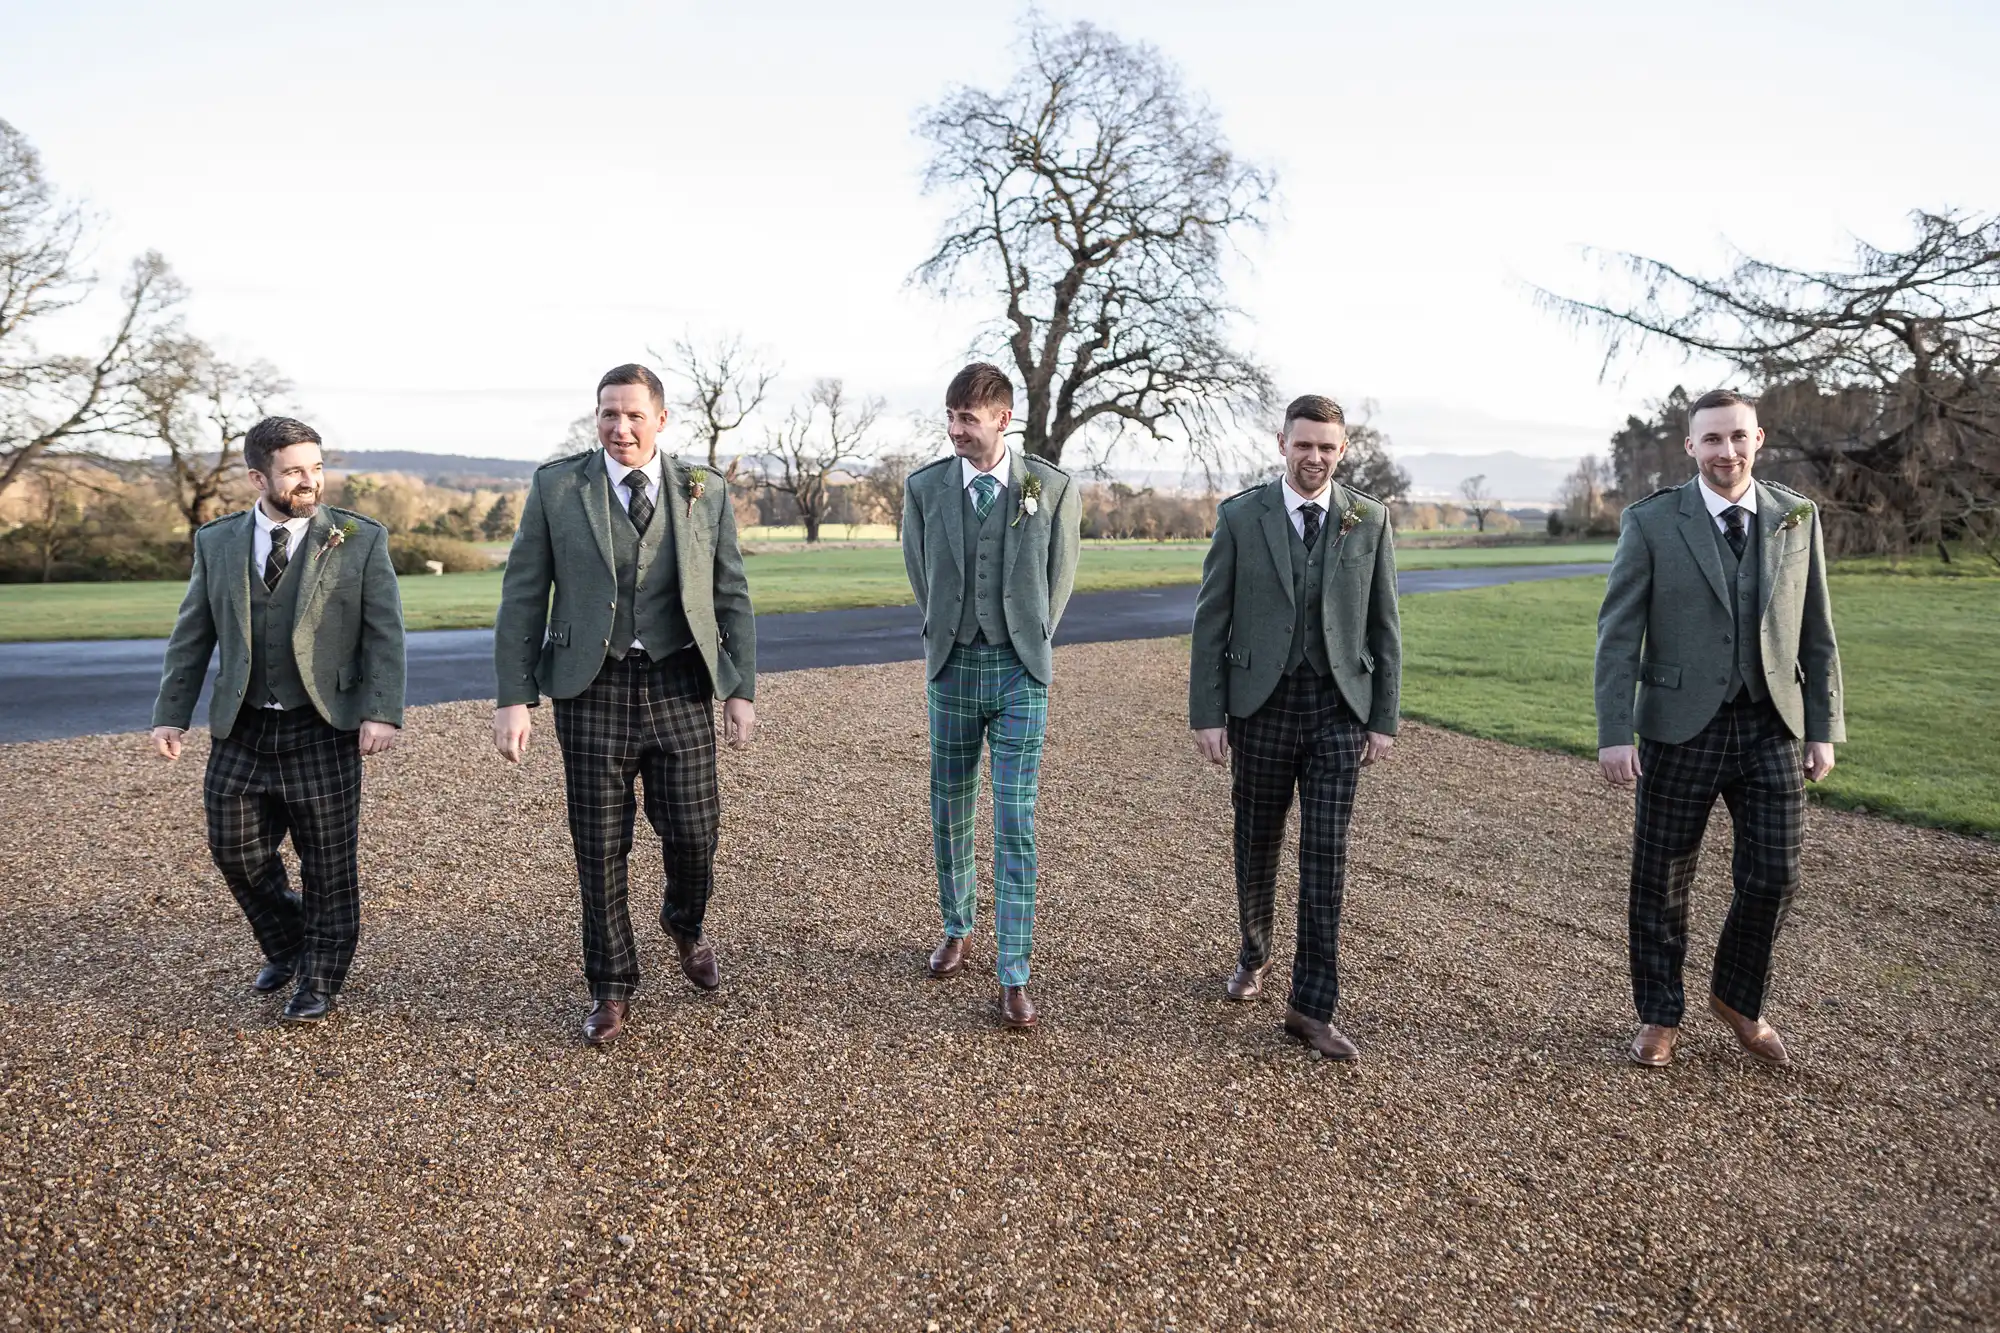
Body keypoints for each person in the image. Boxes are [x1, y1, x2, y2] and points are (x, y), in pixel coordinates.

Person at [491, 363, 756, 1046]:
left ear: (661, 420)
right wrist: (515, 697)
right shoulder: (558, 486)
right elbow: (524, 592)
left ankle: (682, 918)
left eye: (634, 414)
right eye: (609, 413)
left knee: (696, 833)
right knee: (600, 847)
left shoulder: (704, 490)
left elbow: (731, 594)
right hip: (591, 686)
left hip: (679, 681)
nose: (620, 427)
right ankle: (611, 985)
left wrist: (740, 688)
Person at [1595, 388, 1844, 1069]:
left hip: (1772, 725)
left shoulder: (1796, 516)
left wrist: (1822, 727)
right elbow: (1618, 635)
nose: (1725, 452)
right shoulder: (1651, 523)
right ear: (1690, 447)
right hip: (1679, 727)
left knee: (1776, 872)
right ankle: (1659, 1014)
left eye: (1737, 437)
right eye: (1711, 440)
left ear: (1758, 439)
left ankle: (1738, 997)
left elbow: (1815, 631)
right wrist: (1616, 730)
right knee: (1661, 878)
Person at [150, 416, 405, 1022]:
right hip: (241, 725)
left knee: (328, 862)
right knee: (233, 851)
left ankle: (320, 976)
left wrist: (381, 711)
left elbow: (384, 633)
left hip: (323, 723)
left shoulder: (358, 538)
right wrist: (171, 714)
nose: (309, 481)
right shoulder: (216, 543)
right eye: (294, 471)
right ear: (257, 476)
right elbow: (193, 633)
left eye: (316, 468)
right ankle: (288, 939)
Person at [1189, 394, 1400, 1062]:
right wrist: (1207, 713)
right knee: (1257, 840)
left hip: (1339, 709)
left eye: (1327, 447)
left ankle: (1312, 1006)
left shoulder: (1369, 518)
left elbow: (1384, 623)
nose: (1315, 457)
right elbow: (1209, 621)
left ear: (1343, 450)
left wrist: (1383, 716)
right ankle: (1254, 950)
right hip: (1261, 707)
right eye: (1303, 444)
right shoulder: (1240, 516)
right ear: (1281, 442)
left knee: (1326, 858)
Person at [900, 362, 1080, 1029]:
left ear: (1002, 417)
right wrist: (951, 628)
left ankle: (1014, 970)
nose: (956, 431)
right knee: (947, 806)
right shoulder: (924, 489)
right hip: (950, 666)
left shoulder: (1051, 488)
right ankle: (956, 924)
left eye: (968, 418)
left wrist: (1027, 637)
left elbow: (1059, 580)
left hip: (1019, 671)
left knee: (1015, 819)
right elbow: (921, 572)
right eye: (950, 417)